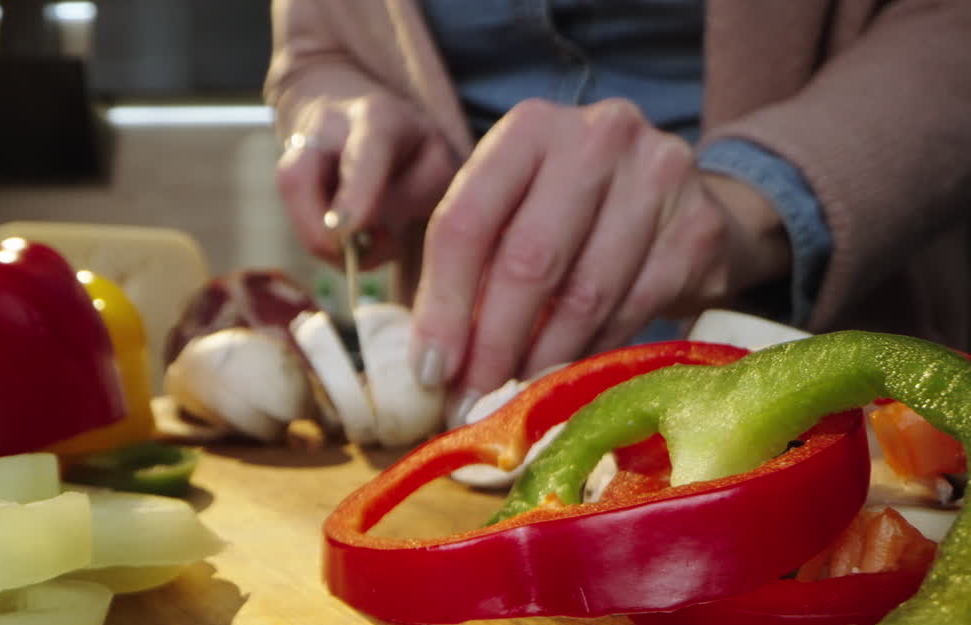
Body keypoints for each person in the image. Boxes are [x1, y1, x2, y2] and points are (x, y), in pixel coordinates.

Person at [264, 0, 971, 427]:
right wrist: (338, 102)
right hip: (458, 395)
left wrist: (753, 197)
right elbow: (314, 43)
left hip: (825, 348)